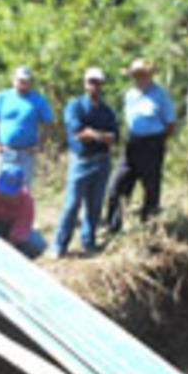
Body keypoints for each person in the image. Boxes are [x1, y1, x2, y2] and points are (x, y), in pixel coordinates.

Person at [51, 67, 120, 257]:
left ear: (102, 85)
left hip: (102, 162)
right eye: (91, 82)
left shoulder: (107, 111)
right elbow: (79, 134)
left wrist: (93, 134)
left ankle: (88, 243)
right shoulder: (75, 106)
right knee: (72, 205)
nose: (94, 86)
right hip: (81, 161)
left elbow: (114, 137)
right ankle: (59, 246)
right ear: (85, 83)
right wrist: (99, 135)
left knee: (95, 206)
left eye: (97, 82)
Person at [105, 59, 177, 231]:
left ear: (150, 75)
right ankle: (113, 225)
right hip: (132, 143)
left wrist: (158, 140)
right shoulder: (130, 95)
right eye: (136, 75)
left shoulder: (161, 95)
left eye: (143, 75)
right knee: (118, 185)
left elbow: (171, 124)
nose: (140, 78)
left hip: (153, 144)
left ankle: (149, 226)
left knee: (151, 186)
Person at [0, 66, 53, 190]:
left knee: (23, 190)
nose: (23, 85)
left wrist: (40, 145)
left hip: (26, 152)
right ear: (13, 80)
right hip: (5, 151)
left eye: (26, 82)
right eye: (20, 81)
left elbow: (47, 123)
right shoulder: (2, 97)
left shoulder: (38, 100)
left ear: (30, 83)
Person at [0, 164, 46, 259]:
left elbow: (21, 229)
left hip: (9, 228)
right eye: (2, 192)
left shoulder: (26, 201)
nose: (5, 196)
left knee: (37, 244)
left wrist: (9, 247)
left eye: (9, 194)